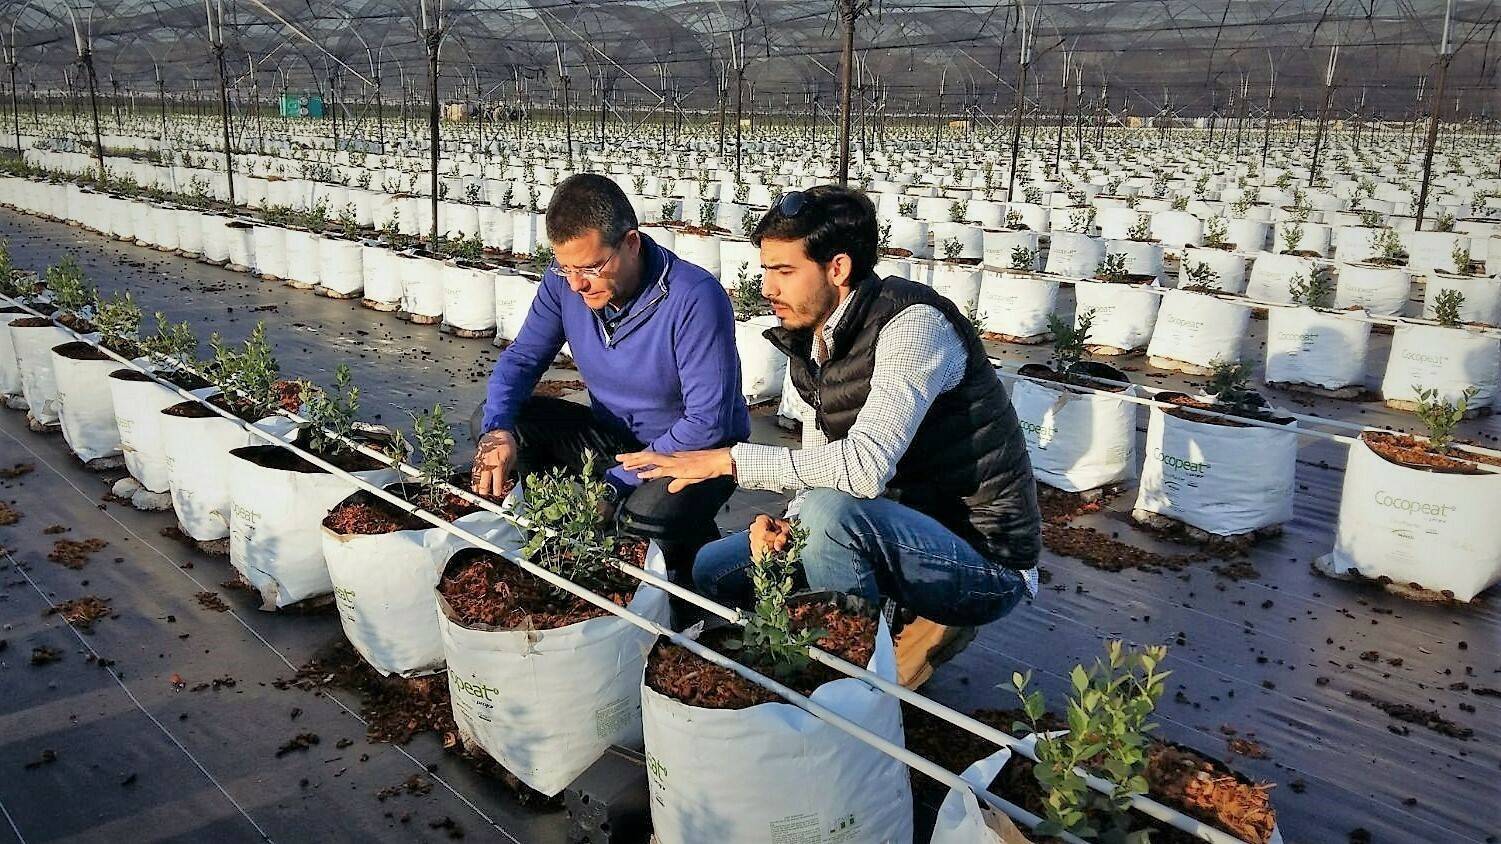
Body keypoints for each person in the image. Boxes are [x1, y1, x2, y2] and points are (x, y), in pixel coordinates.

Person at [618, 185, 1042, 688]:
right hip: (891, 522)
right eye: (765, 270)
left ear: (837, 269)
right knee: (715, 571)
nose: (767, 288)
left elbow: (862, 468)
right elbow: (824, 463)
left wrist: (729, 461)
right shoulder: (815, 341)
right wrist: (784, 525)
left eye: (784, 271)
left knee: (829, 518)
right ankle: (870, 624)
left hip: (980, 555)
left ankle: (846, 685)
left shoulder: (914, 327)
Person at [471, 173, 749, 576]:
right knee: (497, 421)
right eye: (565, 267)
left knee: (638, 520)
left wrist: (615, 483)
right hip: (614, 438)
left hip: (692, 454)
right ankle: (561, 529)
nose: (578, 284)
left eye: (591, 267)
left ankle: (679, 562)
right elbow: (523, 359)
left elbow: (708, 422)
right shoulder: (564, 285)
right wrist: (497, 430)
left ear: (631, 243)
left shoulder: (693, 298)